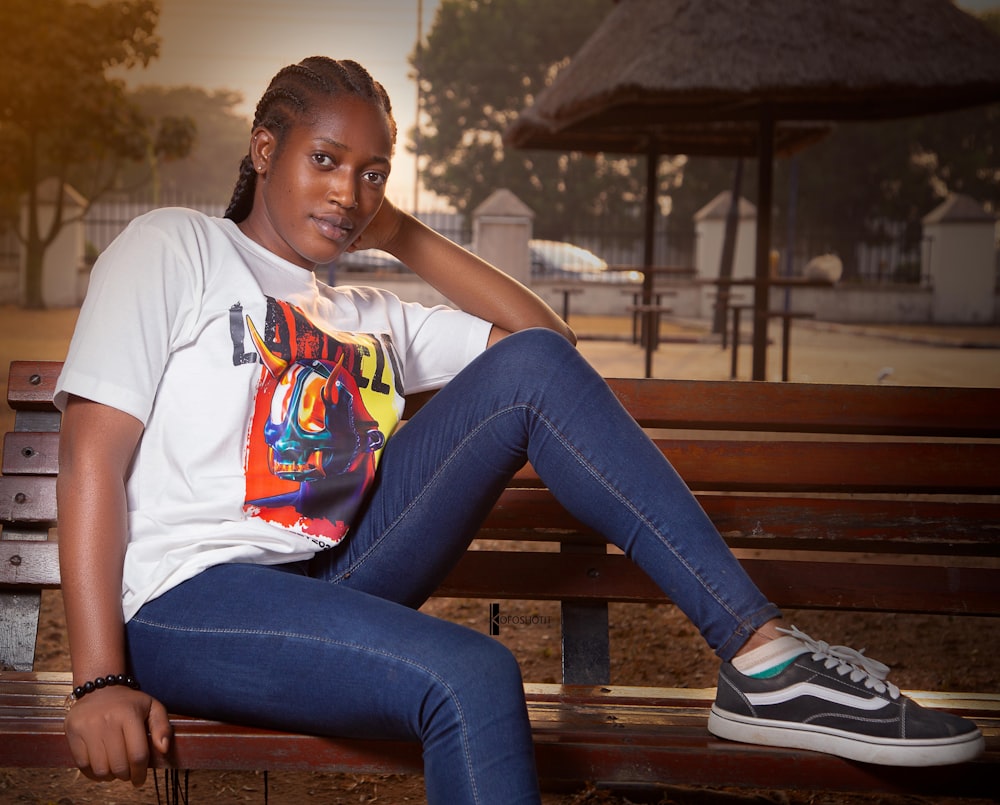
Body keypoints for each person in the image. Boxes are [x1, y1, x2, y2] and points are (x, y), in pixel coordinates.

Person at [55, 56, 983, 804]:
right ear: (265, 149)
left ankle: (764, 656)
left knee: (532, 369)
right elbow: (92, 454)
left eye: (371, 171)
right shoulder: (173, 246)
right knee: (473, 674)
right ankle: (770, 664)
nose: (347, 190)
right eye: (325, 160)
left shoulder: (371, 310)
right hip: (190, 600)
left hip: (338, 576)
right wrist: (98, 679)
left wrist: (401, 233)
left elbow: (547, 346)